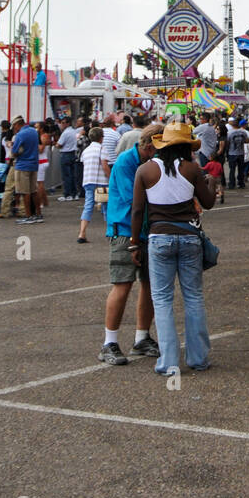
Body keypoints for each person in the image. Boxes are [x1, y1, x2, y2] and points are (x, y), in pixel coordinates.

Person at [129, 121, 216, 376]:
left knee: (163, 300)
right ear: (187, 147)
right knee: (193, 297)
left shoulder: (144, 171)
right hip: (189, 238)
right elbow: (208, 203)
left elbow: (137, 211)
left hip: (159, 239)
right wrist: (210, 183)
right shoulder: (192, 169)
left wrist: (135, 243)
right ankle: (198, 358)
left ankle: (168, 362)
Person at [98, 123, 163, 365]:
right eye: (157, 150)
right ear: (147, 147)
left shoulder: (149, 163)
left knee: (149, 286)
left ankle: (142, 337)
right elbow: (133, 200)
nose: (159, 155)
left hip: (147, 231)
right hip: (125, 231)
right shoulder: (127, 162)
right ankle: (109, 342)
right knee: (122, 285)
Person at [78, 127, 107, 244]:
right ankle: (110, 232)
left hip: (88, 180)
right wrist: (110, 178)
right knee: (106, 206)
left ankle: (82, 233)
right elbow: (104, 165)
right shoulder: (102, 149)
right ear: (101, 138)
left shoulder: (86, 150)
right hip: (101, 181)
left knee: (88, 206)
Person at [10, 116, 40, 223]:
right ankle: (38, 214)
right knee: (34, 191)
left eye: (14, 126)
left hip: (23, 165)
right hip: (34, 164)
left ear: (18, 124)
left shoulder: (20, 135)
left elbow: (14, 152)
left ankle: (28, 216)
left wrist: (11, 146)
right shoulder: (34, 131)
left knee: (24, 192)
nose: (14, 129)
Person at [55, 117, 78, 200]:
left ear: (67, 123)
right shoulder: (74, 131)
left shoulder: (65, 133)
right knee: (72, 175)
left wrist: (56, 144)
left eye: (63, 123)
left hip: (65, 154)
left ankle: (67, 194)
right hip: (73, 154)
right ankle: (74, 193)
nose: (62, 125)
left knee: (66, 176)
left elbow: (59, 144)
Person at [225, 117, 249, 190]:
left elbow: (227, 143)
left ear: (232, 125)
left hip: (232, 153)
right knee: (241, 169)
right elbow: (247, 141)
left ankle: (232, 184)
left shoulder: (229, 133)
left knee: (232, 170)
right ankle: (241, 183)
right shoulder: (243, 132)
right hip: (241, 153)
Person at [35, 121, 53, 217]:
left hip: (41, 161)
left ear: (41, 128)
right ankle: (45, 201)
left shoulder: (44, 136)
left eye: (37, 127)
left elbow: (41, 149)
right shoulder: (42, 136)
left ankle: (41, 202)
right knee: (40, 183)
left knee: (40, 183)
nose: (35, 129)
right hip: (41, 161)